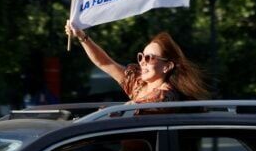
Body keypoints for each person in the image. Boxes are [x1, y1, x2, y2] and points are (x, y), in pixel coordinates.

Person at [65, 22, 209, 110]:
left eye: (149, 58)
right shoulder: (138, 84)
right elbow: (105, 63)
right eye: (141, 56)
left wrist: (111, 112)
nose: (142, 62)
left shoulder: (166, 97)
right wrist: (82, 36)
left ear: (167, 66)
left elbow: (139, 106)